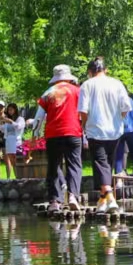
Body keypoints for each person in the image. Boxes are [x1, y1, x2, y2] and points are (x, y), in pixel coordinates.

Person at [78, 57, 133, 213]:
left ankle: (110, 198)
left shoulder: (87, 85)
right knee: (107, 164)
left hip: (96, 130)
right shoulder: (117, 84)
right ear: (105, 70)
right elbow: (126, 108)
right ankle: (102, 201)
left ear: (90, 72)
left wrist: (83, 126)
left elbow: (83, 111)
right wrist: (116, 119)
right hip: (115, 131)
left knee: (101, 163)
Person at [36, 65, 85, 208]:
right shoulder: (78, 91)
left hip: (53, 134)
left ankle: (54, 201)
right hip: (73, 132)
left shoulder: (48, 93)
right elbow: (84, 111)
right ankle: (73, 196)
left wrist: (34, 136)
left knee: (54, 166)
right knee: (74, 165)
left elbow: (38, 118)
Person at [0, 103, 24, 179]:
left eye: (11, 109)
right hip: (9, 143)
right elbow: (2, 129)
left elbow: (19, 126)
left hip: (16, 143)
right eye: (9, 110)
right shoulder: (7, 120)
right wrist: (1, 121)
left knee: (17, 160)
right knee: (12, 161)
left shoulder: (20, 119)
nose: (10, 111)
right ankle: (16, 177)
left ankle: (20, 176)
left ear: (15, 110)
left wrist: (11, 121)